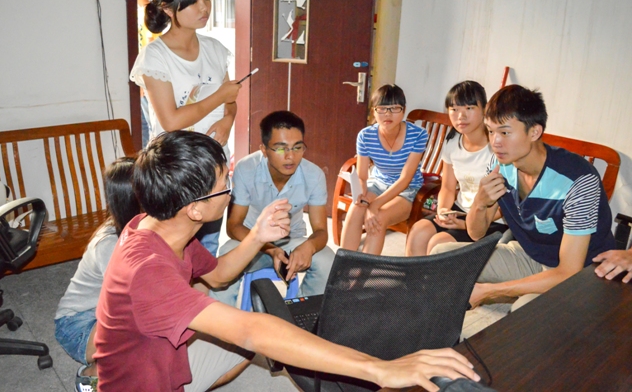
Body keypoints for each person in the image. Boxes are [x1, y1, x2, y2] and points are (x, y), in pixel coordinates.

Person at [93, 130, 480, 392]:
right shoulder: (148, 270)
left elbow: (218, 276)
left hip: (163, 357)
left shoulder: (157, 224)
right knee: (255, 338)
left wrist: (258, 235)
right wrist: (380, 368)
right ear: (194, 209)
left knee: (256, 352)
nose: (230, 191)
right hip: (139, 384)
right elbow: (250, 331)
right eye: (224, 185)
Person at [432, 85, 616, 311]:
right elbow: (476, 233)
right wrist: (480, 202)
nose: (495, 142)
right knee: (440, 257)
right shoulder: (500, 165)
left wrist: (489, 291)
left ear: (534, 132)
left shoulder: (578, 180)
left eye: (505, 132)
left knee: (523, 309)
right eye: (490, 131)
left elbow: (569, 271)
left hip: (582, 275)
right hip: (533, 258)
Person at [130, 0, 240, 255]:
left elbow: (230, 101)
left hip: (212, 164)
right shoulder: (155, 56)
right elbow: (170, 120)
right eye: (193, 1)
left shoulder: (215, 49)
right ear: (168, 9)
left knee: (208, 248)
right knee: (172, 248)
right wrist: (220, 96)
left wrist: (228, 121)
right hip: (176, 167)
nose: (204, 8)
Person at [211, 111, 335, 306]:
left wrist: (308, 247)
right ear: (264, 149)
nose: (290, 156)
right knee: (225, 259)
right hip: (251, 239)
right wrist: (269, 248)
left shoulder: (314, 174)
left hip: (291, 241)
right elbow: (233, 226)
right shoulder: (246, 169)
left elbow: (321, 231)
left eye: (297, 147)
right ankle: (221, 320)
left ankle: (303, 314)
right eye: (280, 148)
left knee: (327, 260)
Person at [53, 157, 140, 391]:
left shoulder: (135, 228)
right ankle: (91, 376)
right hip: (76, 324)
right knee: (140, 326)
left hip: (100, 313)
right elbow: (132, 299)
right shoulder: (110, 244)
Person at [406, 81, 507, 257]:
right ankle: (414, 276)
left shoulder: (498, 147)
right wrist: (443, 211)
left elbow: (504, 204)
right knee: (418, 232)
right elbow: (447, 187)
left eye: (469, 108)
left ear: (484, 109)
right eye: (454, 109)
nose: (461, 116)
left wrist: (467, 224)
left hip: (490, 219)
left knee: (439, 244)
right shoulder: (452, 142)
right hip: (460, 210)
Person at [340, 84, 428, 254]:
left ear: (403, 110)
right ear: (373, 112)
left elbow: (405, 179)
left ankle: (364, 269)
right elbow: (362, 176)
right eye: (381, 108)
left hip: (407, 189)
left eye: (394, 108)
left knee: (379, 218)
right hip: (378, 183)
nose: (387, 114)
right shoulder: (365, 135)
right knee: (355, 210)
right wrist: (362, 199)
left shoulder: (418, 134)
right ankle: (343, 265)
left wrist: (374, 206)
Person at [136, 0, 159, 147]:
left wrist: (144, 80)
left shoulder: (150, 14)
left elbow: (150, 47)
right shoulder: (136, 11)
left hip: (149, 79)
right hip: (140, 78)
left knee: (152, 126)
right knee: (143, 125)